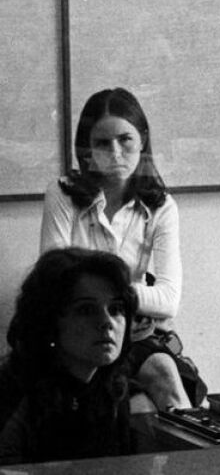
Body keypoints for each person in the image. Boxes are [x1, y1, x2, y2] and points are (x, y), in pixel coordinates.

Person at [39, 87, 200, 412]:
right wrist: (126, 297)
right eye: (102, 143)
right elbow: (52, 280)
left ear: (142, 140)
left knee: (168, 379)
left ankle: (205, 459)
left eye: (125, 140)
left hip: (136, 337)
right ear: (86, 150)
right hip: (77, 336)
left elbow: (169, 301)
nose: (115, 153)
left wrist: (101, 293)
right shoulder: (63, 194)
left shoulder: (161, 206)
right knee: (140, 410)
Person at [0, 248, 138, 464]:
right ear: (49, 321)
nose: (106, 322)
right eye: (86, 310)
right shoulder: (14, 393)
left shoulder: (113, 388)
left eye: (116, 309)